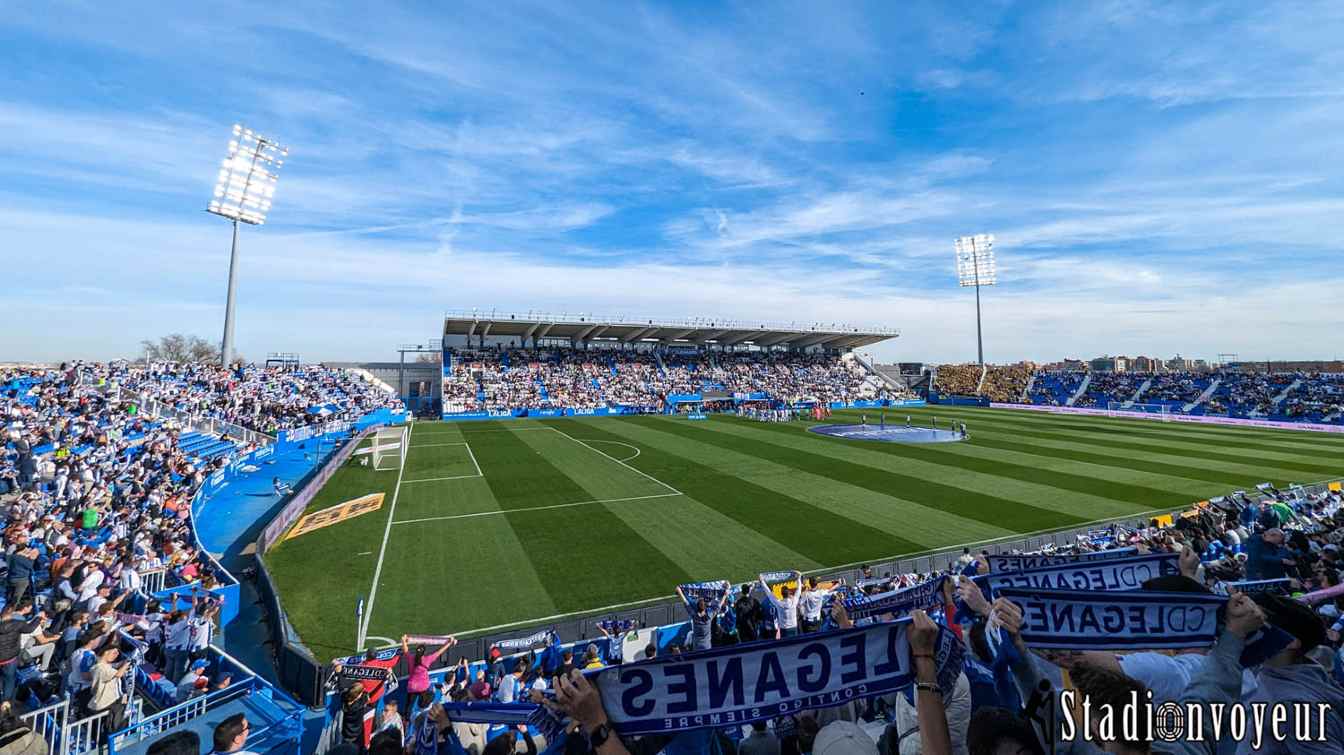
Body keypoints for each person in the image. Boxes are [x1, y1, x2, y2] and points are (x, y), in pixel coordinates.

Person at [0, 604, 44, 702]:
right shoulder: (17, 623)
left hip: (6, 658)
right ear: (11, 614)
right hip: (10, 659)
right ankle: (6, 703)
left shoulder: (16, 623)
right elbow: (29, 629)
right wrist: (38, 618)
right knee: (9, 681)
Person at [89, 645, 130, 733]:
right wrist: (127, 664)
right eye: (114, 653)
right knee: (123, 702)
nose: (116, 656)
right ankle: (117, 733)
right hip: (105, 702)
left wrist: (124, 663)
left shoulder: (101, 666)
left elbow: (115, 666)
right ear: (106, 652)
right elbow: (118, 674)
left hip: (102, 701)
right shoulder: (100, 668)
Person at [401, 634, 456, 698]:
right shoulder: (427, 659)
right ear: (424, 652)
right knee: (432, 688)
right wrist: (449, 643)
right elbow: (439, 652)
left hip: (412, 687)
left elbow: (405, 650)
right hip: (424, 687)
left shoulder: (411, 658)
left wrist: (403, 641)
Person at [758, 571, 802, 637]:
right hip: (794, 628)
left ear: (781, 594)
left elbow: (769, 594)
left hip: (784, 629)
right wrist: (798, 578)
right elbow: (799, 590)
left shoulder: (779, 603)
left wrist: (762, 581)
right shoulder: (794, 602)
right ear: (789, 593)